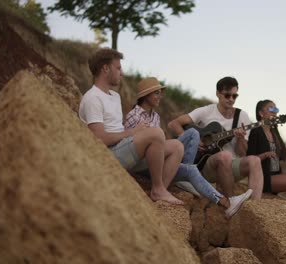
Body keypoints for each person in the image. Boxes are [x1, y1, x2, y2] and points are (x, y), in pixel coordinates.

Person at [124, 77, 253, 218]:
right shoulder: (134, 115)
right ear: (146, 95)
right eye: (157, 93)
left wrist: (240, 137)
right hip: (147, 163)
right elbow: (133, 147)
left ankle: (226, 201)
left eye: (160, 93)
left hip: (158, 159)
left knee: (193, 134)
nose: (160, 96)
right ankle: (223, 200)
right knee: (190, 166)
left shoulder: (155, 116)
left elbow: (158, 144)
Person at [78, 48, 183, 205]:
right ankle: (158, 189)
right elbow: (99, 139)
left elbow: (117, 130)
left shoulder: (115, 96)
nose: (122, 73)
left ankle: (159, 191)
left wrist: (134, 136)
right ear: (105, 69)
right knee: (156, 134)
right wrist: (133, 132)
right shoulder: (92, 98)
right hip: (108, 155)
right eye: (118, 68)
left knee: (177, 146)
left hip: (123, 148)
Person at [168, 76, 263, 200]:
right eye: (227, 95)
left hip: (231, 165)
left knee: (255, 161)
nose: (231, 99)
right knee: (225, 156)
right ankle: (230, 201)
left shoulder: (242, 116)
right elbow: (173, 124)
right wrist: (195, 142)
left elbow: (242, 153)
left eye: (234, 96)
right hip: (204, 165)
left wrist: (240, 138)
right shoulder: (206, 111)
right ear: (218, 94)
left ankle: (256, 207)